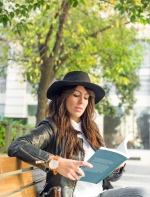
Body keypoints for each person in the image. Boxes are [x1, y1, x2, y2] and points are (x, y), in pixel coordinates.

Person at [8, 71, 149, 197]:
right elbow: (17, 146)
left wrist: (116, 166)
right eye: (76, 95)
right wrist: (56, 162)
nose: (82, 101)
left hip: (100, 193)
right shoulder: (52, 127)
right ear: (63, 97)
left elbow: (107, 177)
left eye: (86, 97)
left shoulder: (91, 130)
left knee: (142, 193)